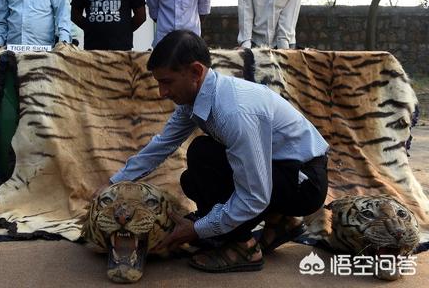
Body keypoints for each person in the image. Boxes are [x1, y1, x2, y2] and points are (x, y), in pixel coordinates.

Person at [109, 30, 328, 273]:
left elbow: (254, 197)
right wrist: (113, 184)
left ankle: (244, 246)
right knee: (192, 178)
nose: (162, 92)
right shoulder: (197, 97)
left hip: (304, 183)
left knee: (204, 156)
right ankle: (280, 222)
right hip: (282, 171)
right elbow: (162, 145)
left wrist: (197, 229)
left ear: (195, 71)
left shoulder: (233, 112)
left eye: (167, 82)